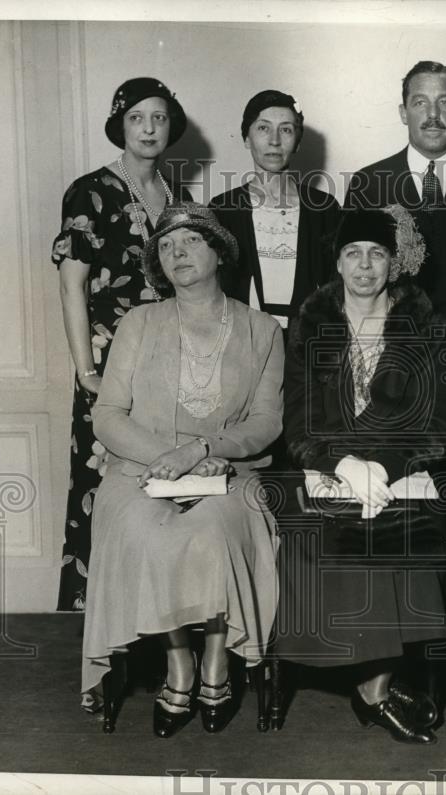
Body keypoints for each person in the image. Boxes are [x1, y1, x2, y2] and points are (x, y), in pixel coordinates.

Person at [81, 204, 284, 738]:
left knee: (217, 531)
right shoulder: (139, 323)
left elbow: (267, 421)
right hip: (139, 469)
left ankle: (217, 656)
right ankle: (180, 663)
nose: (178, 254)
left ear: (219, 252)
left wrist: (201, 450)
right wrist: (162, 458)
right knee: (143, 530)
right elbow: (107, 414)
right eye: (167, 248)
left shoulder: (262, 329)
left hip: (227, 469)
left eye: (191, 242)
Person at [279, 207, 446, 745]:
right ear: (336, 261)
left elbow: (439, 422)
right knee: (336, 536)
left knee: (401, 533)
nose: (365, 265)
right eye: (353, 253)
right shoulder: (312, 320)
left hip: (398, 470)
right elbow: (297, 419)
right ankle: (374, 685)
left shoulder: (426, 321)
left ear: (395, 262)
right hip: (329, 468)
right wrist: (340, 464)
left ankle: (375, 687)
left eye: (377, 253)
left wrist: (385, 466)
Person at [51, 77, 192, 622]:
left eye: (159, 118)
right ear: (121, 125)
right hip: (109, 365)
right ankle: (93, 635)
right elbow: (71, 286)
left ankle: (156, 626)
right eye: (138, 118)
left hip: (169, 365)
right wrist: (85, 367)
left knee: (160, 488)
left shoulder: (177, 199)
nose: (150, 128)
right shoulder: (89, 191)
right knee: (102, 486)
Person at [345, 60, 446, 367]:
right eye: (420, 102)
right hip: (387, 359)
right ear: (402, 112)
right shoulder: (367, 183)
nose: (433, 115)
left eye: (444, 102)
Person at [210, 89, 341, 332]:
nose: (274, 140)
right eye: (263, 128)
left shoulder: (325, 208)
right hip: (240, 344)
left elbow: (337, 288)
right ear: (246, 138)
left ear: (298, 142)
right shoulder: (222, 209)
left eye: (286, 129)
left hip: (308, 346)